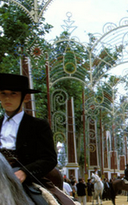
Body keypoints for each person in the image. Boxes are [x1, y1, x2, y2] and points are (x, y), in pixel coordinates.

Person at [0, 73, 75, 205]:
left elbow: (49, 158)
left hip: (28, 178)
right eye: (3, 93)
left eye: (13, 93)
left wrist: (24, 172)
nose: (7, 98)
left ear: (26, 97)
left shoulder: (38, 125)